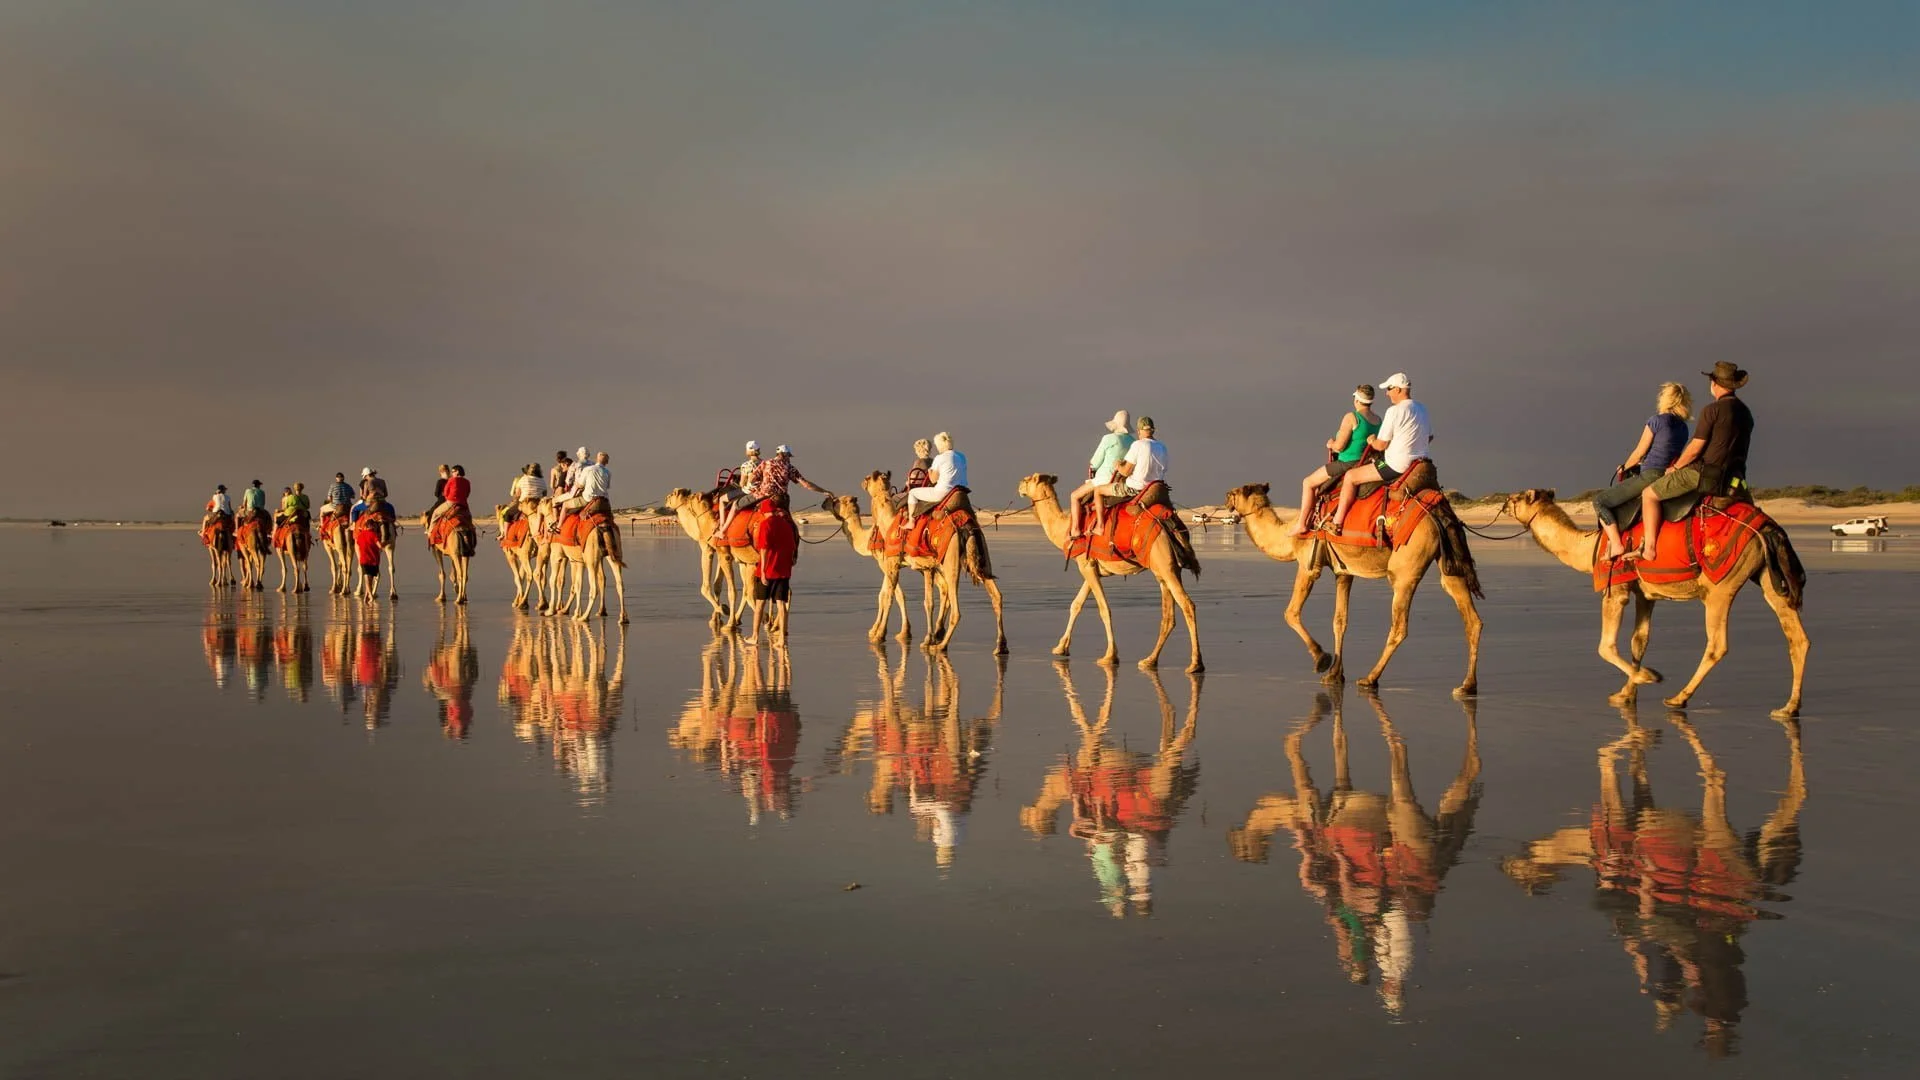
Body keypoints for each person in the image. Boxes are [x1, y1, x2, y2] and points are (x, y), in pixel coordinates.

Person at [1633, 363, 1755, 561]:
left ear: (1714, 383)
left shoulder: (1712, 410)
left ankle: (1650, 548)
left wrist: (1675, 467)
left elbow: (1695, 448)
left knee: (1649, 495)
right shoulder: (1746, 413)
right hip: (1736, 479)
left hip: (1705, 474)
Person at [1591, 383, 1693, 560]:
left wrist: (1625, 467)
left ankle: (1616, 544)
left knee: (1600, 501)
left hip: (1651, 474)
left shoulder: (1656, 421)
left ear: (1665, 399)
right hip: (1669, 476)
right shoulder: (1683, 428)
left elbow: (1639, 452)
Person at [1329, 373, 1429, 533]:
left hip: (1395, 465)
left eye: (1389, 389)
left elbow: (1381, 445)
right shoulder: (1422, 408)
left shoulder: (1394, 411)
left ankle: (1337, 522)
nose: (1387, 393)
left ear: (1398, 389)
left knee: (1351, 477)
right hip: (1419, 463)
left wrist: (1371, 441)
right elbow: (1429, 437)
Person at [1288, 387, 1381, 537]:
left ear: (1357, 400)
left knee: (1308, 483)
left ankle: (1301, 524)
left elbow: (1340, 446)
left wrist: (1331, 444)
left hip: (1346, 463)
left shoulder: (1352, 417)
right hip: (1366, 463)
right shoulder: (1378, 420)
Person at [716, 445, 828, 537]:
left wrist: (759, 482)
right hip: (781, 498)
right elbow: (806, 485)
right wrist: (824, 491)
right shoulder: (790, 467)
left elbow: (752, 478)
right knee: (790, 522)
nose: (789, 459)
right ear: (786, 455)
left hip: (763, 494)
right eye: (789, 456)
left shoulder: (766, 463)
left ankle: (722, 531)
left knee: (735, 505)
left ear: (778, 454)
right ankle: (795, 539)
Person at [1068, 411, 1134, 538]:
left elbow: (1095, 462)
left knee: (1074, 496)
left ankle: (1075, 530)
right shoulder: (1133, 441)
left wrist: (1093, 467)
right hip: (1122, 481)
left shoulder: (1108, 439)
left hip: (1104, 479)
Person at [750, 492, 800, 643]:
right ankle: (782, 639)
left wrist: (763, 571)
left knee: (760, 604)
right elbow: (792, 546)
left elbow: (764, 549)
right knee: (781, 604)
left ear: (764, 511)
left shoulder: (765, 524)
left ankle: (754, 637)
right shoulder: (786, 524)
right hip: (783, 571)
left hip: (767, 571)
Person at [907, 432, 968, 522]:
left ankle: (911, 522)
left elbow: (933, 480)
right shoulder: (962, 456)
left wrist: (930, 471)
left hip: (943, 492)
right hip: (960, 490)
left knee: (912, 493)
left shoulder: (940, 458)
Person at [1112, 415, 1168, 502]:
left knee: (1099, 491)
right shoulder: (1162, 447)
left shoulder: (1138, 444)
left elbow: (1126, 472)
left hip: (1136, 488)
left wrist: (1118, 465)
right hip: (1155, 487)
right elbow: (1163, 470)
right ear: (1152, 430)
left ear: (1139, 431)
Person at [573, 452, 613, 517]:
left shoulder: (588, 469)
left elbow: (580, 485)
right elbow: (607, 486)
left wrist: (576, 483)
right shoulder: (608, 472)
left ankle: (559, 523)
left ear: (596, 459)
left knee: (566, 505)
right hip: (604, 500)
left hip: (589, 498)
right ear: (607, 462)